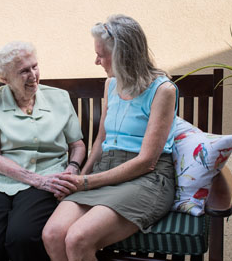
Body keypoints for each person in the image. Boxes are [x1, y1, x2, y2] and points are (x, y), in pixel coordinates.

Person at [42, 14, 178, 261]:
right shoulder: (111, 84)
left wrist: (85, 183)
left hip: (146, 178)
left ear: (122, 55)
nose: (97, 61)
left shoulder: (163, 90)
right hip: (106, 169)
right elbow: (100, 140)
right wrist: (82, 175)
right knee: (52, 234)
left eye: (102, 55)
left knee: (77, 239)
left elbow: (146, 161)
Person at [0, 41, 85, 261]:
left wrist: (73, 167)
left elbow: (77, 145)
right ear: (5, 79)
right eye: (23, 71)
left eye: (35, 66)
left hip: (48, 173)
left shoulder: (59, 98)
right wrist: (37, 180)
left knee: (23, 238)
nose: (33, 75)